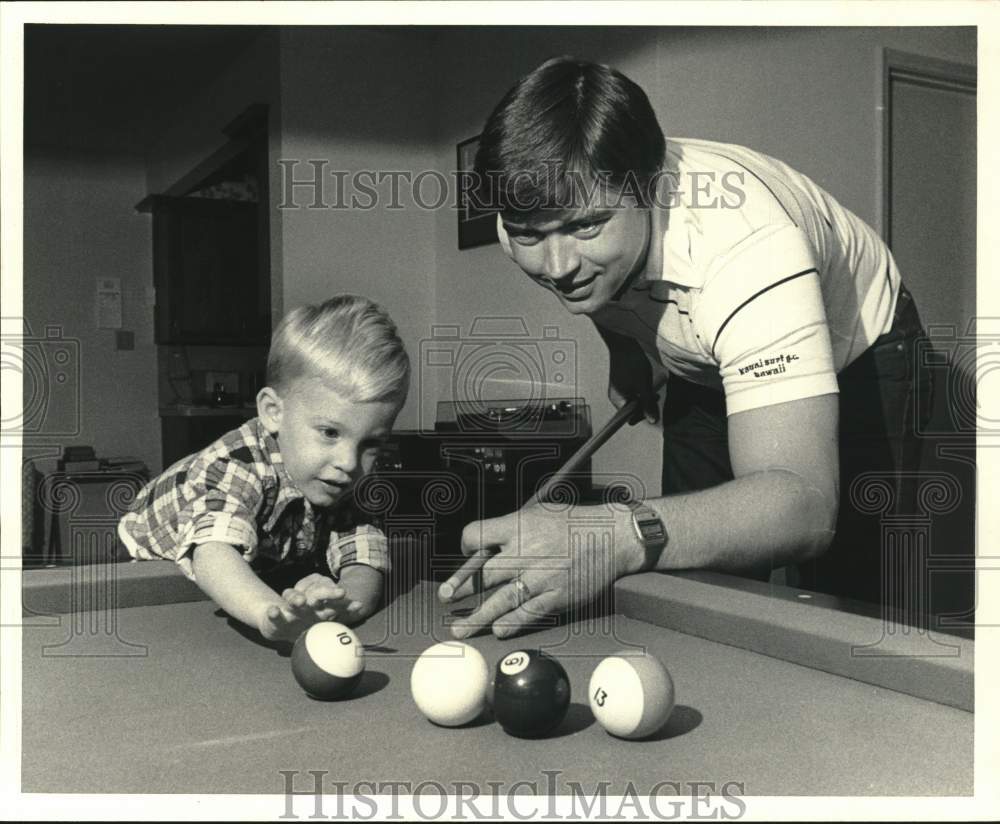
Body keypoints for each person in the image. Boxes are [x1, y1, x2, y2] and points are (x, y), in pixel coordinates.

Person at [441, 56, 931, 639]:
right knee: (689, 565)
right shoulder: (529, 215)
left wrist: (613, 536)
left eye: (586, 227)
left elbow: (801, 505)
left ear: (648, 189)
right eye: (529, 236)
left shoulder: (750, 253)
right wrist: (627, 351)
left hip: (863, 348)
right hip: (705, 354)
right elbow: (590, 285)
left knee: (846, 585)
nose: (556, 265)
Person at [119, 295, 410, 642]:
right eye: (330, 432)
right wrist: (269, 611)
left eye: (371, 444)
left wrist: (345, 601)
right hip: (142, 556)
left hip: (257, 556)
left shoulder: (340, 473)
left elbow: (363, 555)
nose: (349, 462)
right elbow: (213, 552)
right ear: (273, 412)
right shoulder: (236, 464)